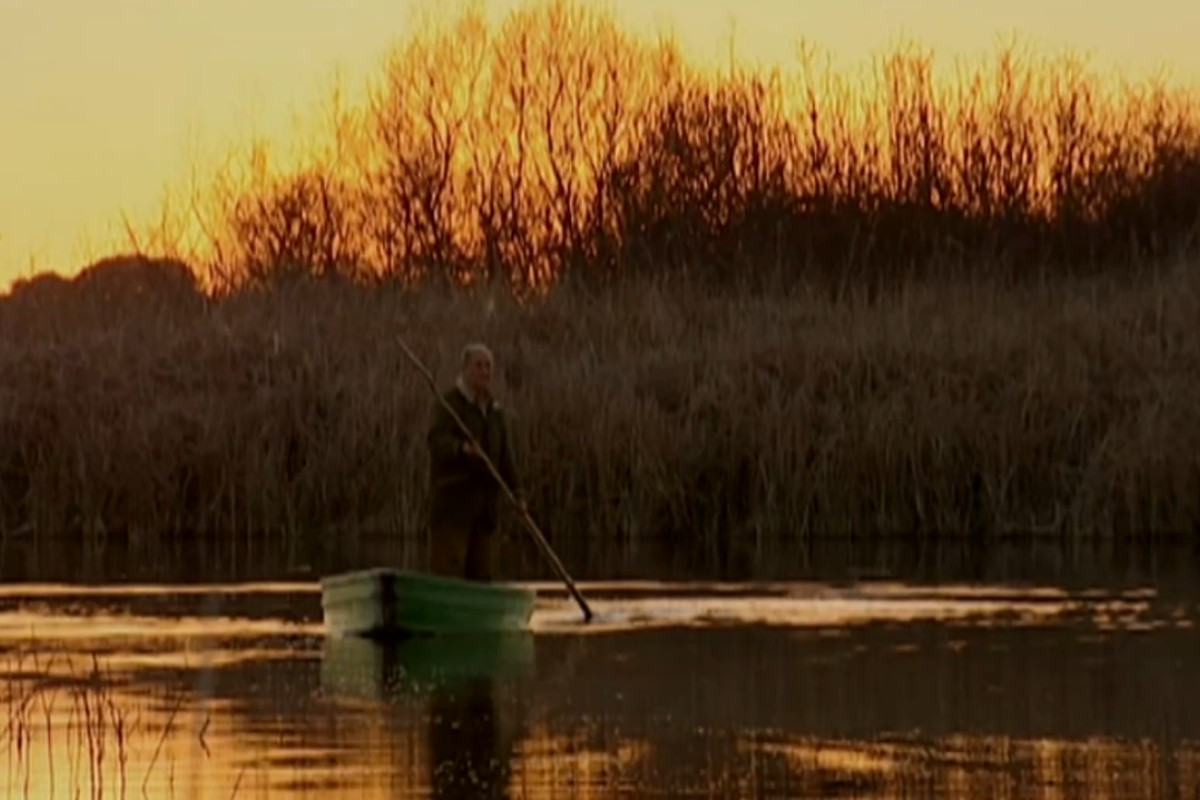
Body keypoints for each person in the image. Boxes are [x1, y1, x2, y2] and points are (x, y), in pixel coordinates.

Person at [426, 342, 526, 582]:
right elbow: (435, 440)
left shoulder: (495, 411)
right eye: (479, 365)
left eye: (488, 366)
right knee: (449, 572)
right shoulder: (449, 402)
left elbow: (505, 457)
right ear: (465, 368)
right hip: (453, 506)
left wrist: (518, 493)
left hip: (484, 511)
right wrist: (461, 449)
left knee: (482, 576)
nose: (485, 371)